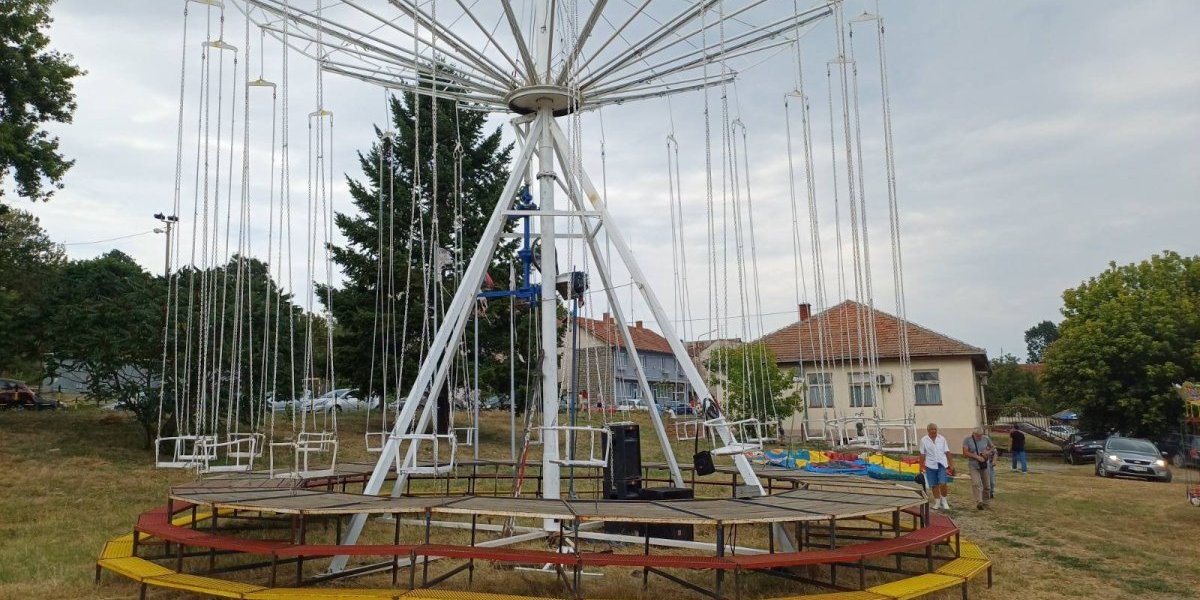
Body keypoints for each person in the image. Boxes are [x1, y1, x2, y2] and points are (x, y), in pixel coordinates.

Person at [919, 423, 954, 510]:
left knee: (943, 483)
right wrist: (921, 466)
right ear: (928, 431)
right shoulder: (924, 440)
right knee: (934, 484)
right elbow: (922, 454)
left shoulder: (942, 438)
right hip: (930, 465)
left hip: (941, 464)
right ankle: (937, 502)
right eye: (932, 430)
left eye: (935, 429)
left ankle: (944, 501)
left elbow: (947, 451)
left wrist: (951, 464)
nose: (934, 431)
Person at [962, 428, 996, 510]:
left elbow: (993, 448)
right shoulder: (967, 440)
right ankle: (979, 502)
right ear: (973, 434)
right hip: (973, 465)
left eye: (980, 436)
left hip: (984, 465)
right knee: (976, 483)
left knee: (987, 485)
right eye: (977, 436)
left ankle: (986, 502)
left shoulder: (986, 439)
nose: (979, 437)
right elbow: (965, 453)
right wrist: (976, 457)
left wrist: (987, 452)